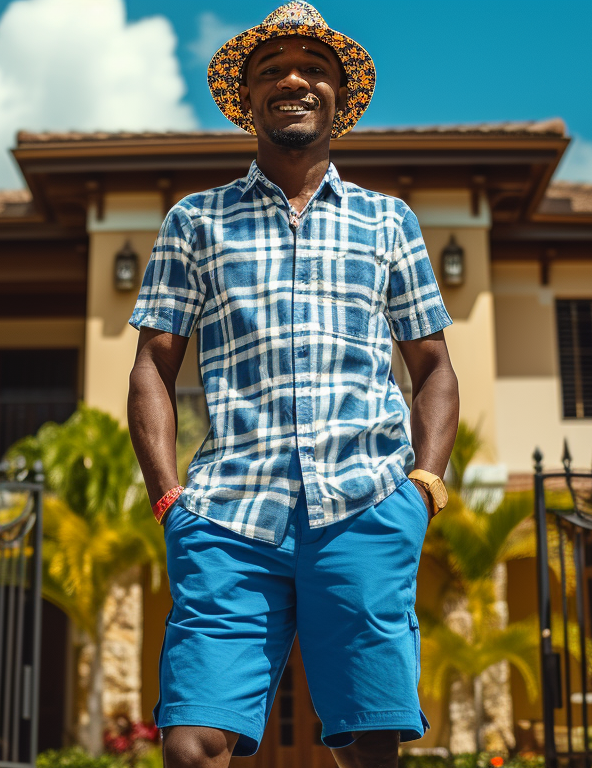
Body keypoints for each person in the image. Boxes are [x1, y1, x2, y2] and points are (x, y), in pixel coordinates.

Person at [126, 3, 459, 767]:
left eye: (314, 69)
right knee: (191, 745)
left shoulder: (389, 222)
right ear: (247, 100)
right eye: (271, 71)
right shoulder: (195, 221)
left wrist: (424, 485)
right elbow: (153, 364)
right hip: (228, 516)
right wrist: (169, 497)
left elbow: (434, 369)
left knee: (370, 748)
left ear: (341, 97)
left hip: (368, 507)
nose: (294, 81)